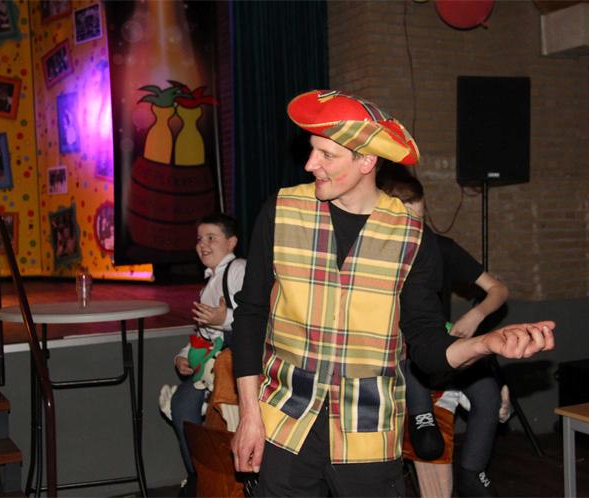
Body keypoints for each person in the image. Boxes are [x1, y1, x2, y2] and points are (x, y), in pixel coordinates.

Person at [230, 89, 555, 497]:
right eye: (312, 150)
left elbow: (427, 347)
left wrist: (485, 343)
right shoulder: (280, 211)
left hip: (367, 431)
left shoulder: (412, 237)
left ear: (366, 162)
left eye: (327, 155)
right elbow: (251, 314)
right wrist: (249, 415)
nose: (311, 164)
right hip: (285, 422)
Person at [377, 164, 509, 497]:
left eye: (420, 220)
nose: (416, 231)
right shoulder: (375, 257)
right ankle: (422, 417)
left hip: (443, 348)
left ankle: (473, 472)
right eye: (408, 222)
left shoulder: (439, 247)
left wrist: (475, 315)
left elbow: (498, 290)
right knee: (410, 358)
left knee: (488, 393)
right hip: (404, 356)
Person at [164, 213, 246, 497]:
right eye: (200, 239)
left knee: (223, 425)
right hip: (212, 364)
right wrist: (182, 356)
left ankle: (226, 483)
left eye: (212, 237)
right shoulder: (208, 285)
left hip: (236, 364)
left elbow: (258, 316)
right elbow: (203, 336)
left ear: (231, 243)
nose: (203, 244)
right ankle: (200, 478)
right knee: (181, 407)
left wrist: (225, 318)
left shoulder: (238, 270)